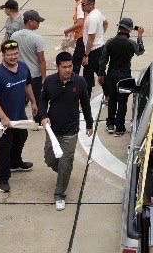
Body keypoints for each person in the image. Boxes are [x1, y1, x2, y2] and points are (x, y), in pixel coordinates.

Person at [38, 51, 94, 211]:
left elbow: (85, 103)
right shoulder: (49, 81)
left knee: (66, 161)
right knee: (49, 159)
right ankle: (65, 170)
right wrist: (43, 116)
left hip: (71, 130)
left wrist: (89, 123)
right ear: (58, 67)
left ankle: (60, 194)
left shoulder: (80, 82)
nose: (68, 70)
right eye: (64, 67)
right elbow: (43, 100)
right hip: (53, 129)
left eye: (70, 66)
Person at [0, 40, 39, 193]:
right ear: (3, 55)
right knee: (3, 148)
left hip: (19, 116)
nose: (13, 57)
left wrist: (33, 102)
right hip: (2, 121)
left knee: (21, 137)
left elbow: (27, 85)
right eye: (9, 54)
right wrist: (3, 117)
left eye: (15, 53)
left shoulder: (23, 67)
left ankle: (15, 163)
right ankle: (2, 178)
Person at [99, 18, 145, 135]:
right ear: (129, 30)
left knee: (112, 100)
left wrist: (101, 74)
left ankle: (110, 124)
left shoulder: (110, 42)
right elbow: (140, 51)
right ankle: (120, 127)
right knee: (122, 102)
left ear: (119, 27)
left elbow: (103, 60)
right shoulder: (131, 44)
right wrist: (140, 36)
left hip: (112, 75)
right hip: (125, 75)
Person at [9, 9, 48, 112]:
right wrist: (44, 78)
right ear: (30, 21)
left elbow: (10, 55)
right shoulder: (37, 38)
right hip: (34, 76)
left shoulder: (14, 36)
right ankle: (38, 119)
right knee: (37, 102)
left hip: (18, 74)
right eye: (37, 21)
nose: (39, 24)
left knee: (19, 102)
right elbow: (42, 60)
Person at [80, 0, 107, 97]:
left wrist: (86, 55)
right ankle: (106, 94)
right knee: (93, 73)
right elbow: (106, 23)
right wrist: (101, 35)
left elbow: (91, 38)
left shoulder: (92, 18)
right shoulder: (97, 12)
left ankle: (107, 94)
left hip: (93, 51)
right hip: (99, 48)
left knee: (97, 75)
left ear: (91, 4)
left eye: (83, 4)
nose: (82, 6)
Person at [63, 0, 85, 84]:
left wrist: (68, 30)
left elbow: (80, 23)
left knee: (76, 62)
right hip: (83, 36)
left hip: (82, 37)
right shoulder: (83, 2)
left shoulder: (80, 5)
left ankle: (73, 82)